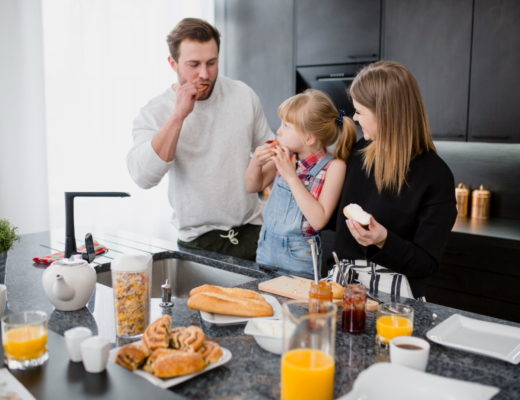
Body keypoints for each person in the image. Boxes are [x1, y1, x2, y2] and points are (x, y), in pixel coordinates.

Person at [127, 18, 274, 260]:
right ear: (173, 63)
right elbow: (143, 177)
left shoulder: (243, 95)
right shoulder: (156, 111)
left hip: (254, 232)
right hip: (198, 241)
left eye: (211, 63)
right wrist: (178, 116)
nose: (204, 74)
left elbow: (269, 152)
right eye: (194, 65)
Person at [331, 61, 457, 299]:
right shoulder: (359, 153)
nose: (355, 118)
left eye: (360, 111)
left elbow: (426, 264)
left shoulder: (436, 176)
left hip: (395, 301)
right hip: (344, 289)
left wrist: (383, 240)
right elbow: (333, 223)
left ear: (385, 114)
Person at [245, 89, 356, 276]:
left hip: (299, 256)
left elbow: (318, 220)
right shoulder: (286, 156)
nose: (279, 131)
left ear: (309, 138)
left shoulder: (334, 167)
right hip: (266, 247)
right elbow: (251, 186)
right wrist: (255, 162)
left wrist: (291, 177)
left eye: (286, 126)